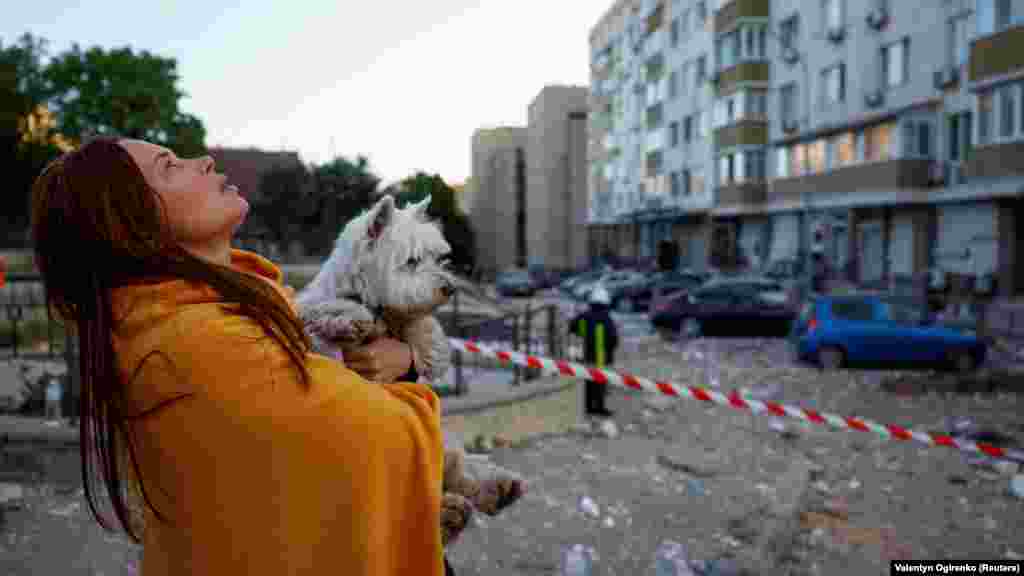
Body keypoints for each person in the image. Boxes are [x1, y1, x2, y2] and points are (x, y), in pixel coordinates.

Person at [31, 137, 448, 575]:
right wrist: (408, 372)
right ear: (132, 225)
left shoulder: (186, 318)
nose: (204, 161)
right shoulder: (196, 343)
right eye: (169, 167)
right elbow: (387, 437)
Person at [568, 285, 619, 418]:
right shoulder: (608, 319)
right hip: (603, 359)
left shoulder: (583, 316)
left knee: (588, 383)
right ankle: (599, 408)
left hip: (587, 357)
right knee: (600, 385)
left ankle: (588, 408)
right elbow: (613, 339)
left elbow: (572, 327)